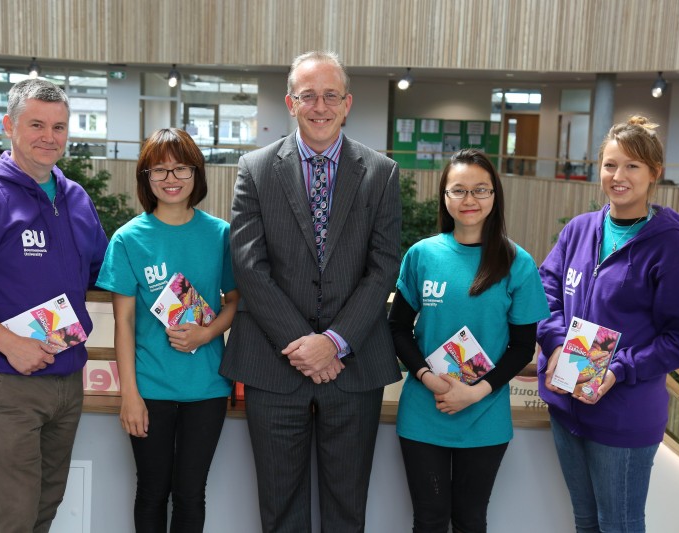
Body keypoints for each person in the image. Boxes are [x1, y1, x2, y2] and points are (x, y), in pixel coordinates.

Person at [220, 50, 402, 532]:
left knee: (347, 509)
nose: (319, 106)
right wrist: (306, 346)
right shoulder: (255, 169)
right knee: (280, 509)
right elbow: (248, 266)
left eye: (329, 96)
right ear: (290, 102)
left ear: (347, 104)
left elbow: (383, 269)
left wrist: (334, 342)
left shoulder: (381, 172)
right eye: (308, 96)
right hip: (273, 364)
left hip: (354, 366)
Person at [0, 78, 108, 531]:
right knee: (13, 513)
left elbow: (101, 273)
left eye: (60, 127)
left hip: (66, 375)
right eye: (37, 125)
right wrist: (11, 343)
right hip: (4, 377)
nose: (49, 137)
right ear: (9, 126)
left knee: (45, 505)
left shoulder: (76, 199)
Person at [537, 116, 679, 533]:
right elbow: (546, 290)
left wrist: (618, 368)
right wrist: (556, 342)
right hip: (566, 404)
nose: (619, 176)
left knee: (619, 525)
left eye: (632, 166)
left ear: (654, 173)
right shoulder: (579, 230)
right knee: (586, 523)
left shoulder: (669, 247)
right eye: (610, 165)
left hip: (623, 415)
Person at [388, 149, 549, 533]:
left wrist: (475, 393)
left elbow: (523, 346)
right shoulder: (422, 255)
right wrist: (428, 377)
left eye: (481, 190)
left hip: (484, 413)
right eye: (458, 190)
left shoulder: (516, 261)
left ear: (495, 196)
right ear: (444, 196)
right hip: (425, 411)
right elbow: (397, 329)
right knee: (428, 520)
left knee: (470, 521)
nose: (470, 200)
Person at [96, 128, 238, 532]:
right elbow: (122, 323)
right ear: (145, 177)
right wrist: (130, 396)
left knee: (192, 493)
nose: (171, 178)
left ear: (197, 175)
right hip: (150, 388)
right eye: (159, 170)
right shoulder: (128, 239)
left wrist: (208, 334)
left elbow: (235, 301)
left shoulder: (220, 234)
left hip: (208, 388)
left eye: (181, 168)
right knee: (152, 490)